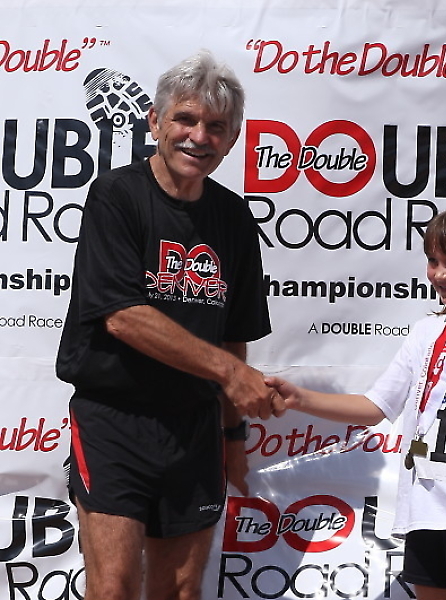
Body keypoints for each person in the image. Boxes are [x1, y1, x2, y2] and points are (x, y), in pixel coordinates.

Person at [56, 50, 284, 600]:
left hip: (195, 429)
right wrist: (230, 373)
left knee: (180, 591)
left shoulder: (233, 217)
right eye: (185, 119)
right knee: (113, 588)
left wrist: (232, 436)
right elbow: (123, 317)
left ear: (232, 139)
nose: (199, 137)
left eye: (216, 127)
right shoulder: (116, 195)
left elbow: (233, 335)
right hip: (114, 421)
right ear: (155, 122)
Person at [266, 202, 446, 600]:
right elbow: (375, 407)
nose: (439, 274)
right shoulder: (425, 333)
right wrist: (299, 397)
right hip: (423, 509)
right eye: (433, 261)